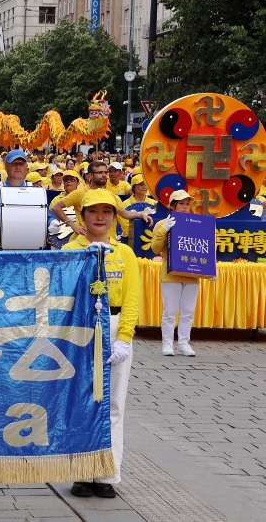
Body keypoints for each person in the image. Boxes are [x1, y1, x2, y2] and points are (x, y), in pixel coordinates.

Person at [63, 189, 138, 500]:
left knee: (113, 405)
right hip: (80, 328)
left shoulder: (125, 253)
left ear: (114, 217)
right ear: (82, 216)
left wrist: (124, 338)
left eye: (107, 212)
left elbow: (133, 299)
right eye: (94, 211)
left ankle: (107, 473)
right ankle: (81, 472)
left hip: (115, 325)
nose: (100, 217)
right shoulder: (70, 249)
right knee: (82, 401)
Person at [151, 189, 200, 357]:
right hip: (171, 273)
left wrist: (210, 269)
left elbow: (203, 247)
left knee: (188, 311)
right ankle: (167, 343)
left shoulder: (196, 223)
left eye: (187, 204)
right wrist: (163, 230)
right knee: (170, 311)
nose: (185, 207)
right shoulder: (162, 224)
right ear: (172, 205)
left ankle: (184, 343)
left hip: (192, 274)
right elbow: (156, 249)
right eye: (181, 203)